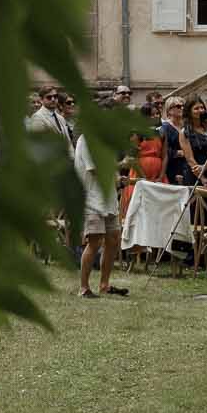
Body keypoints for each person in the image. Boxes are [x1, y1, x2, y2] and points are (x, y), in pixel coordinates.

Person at [74, 128, 128, 299]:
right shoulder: (86, 140)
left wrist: (119, 180)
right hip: (91, 199)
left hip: (108, 198)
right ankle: (83, 288)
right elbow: (94, 169)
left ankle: (104, 285)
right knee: (95, 242)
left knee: (113, 240)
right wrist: (121, 164)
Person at [179, 98, 207, 187]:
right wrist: (202, 178)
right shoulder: (184, 132)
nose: (200, 110)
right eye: (196, 108)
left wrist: (205, 167)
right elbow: (189, 159)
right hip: (194, 175)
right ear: (189, 112)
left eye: (202, 107)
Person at [160, 97, 192, 185]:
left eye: (183, 106)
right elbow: (161, 150)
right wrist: (178, 153)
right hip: (173, 167)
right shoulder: (165, 127)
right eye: (178, 106)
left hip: (188, 167)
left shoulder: (187, 126)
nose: (182, 108)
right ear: (169, 110)